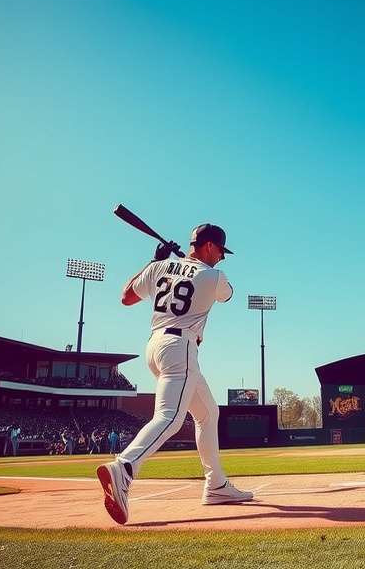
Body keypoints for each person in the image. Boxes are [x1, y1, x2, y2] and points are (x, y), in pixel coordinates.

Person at [97, 223, 252, 525]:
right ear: (208, 246)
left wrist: (156, 262)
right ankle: (124, 468)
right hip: (181, 346)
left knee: (208, 413)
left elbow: (126, 296)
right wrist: (189, 269)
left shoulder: (160, 268)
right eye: (221, 250)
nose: (222, 257)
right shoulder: (214, 276)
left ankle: (217, 484)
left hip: (155, 346)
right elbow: (228, 294)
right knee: (169, 417)